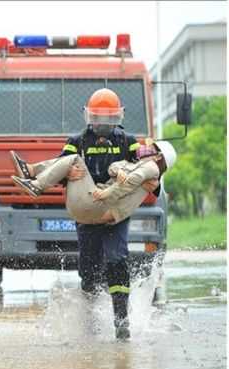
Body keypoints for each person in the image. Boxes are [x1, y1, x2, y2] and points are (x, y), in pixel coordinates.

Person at [12, 88, 160, 340]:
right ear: (89, 117)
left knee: (117, 259)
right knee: (89, 269)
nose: (102, 124)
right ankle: (90, 319)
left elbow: (148, 166)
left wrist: (153, 183)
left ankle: (120, 319)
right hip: (87, 206)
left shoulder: (128, 141)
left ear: (118, 118)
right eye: (98, 118)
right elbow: (60, 170)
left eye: (108, 119)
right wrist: (68, 175)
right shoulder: (76, 141)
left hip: (114, 209)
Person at [10, 140, 176, 225]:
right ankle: (31, 173)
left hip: (98, 205)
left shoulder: (152, 170)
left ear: (158, 156)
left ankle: (35, 182)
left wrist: (106, 193)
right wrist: (119, 172)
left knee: (75, 158)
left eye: (151, 148)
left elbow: (130, 183)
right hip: (92, 205)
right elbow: (114, 167)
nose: (144, 148)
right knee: (72, 162)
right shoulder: (136, 165)